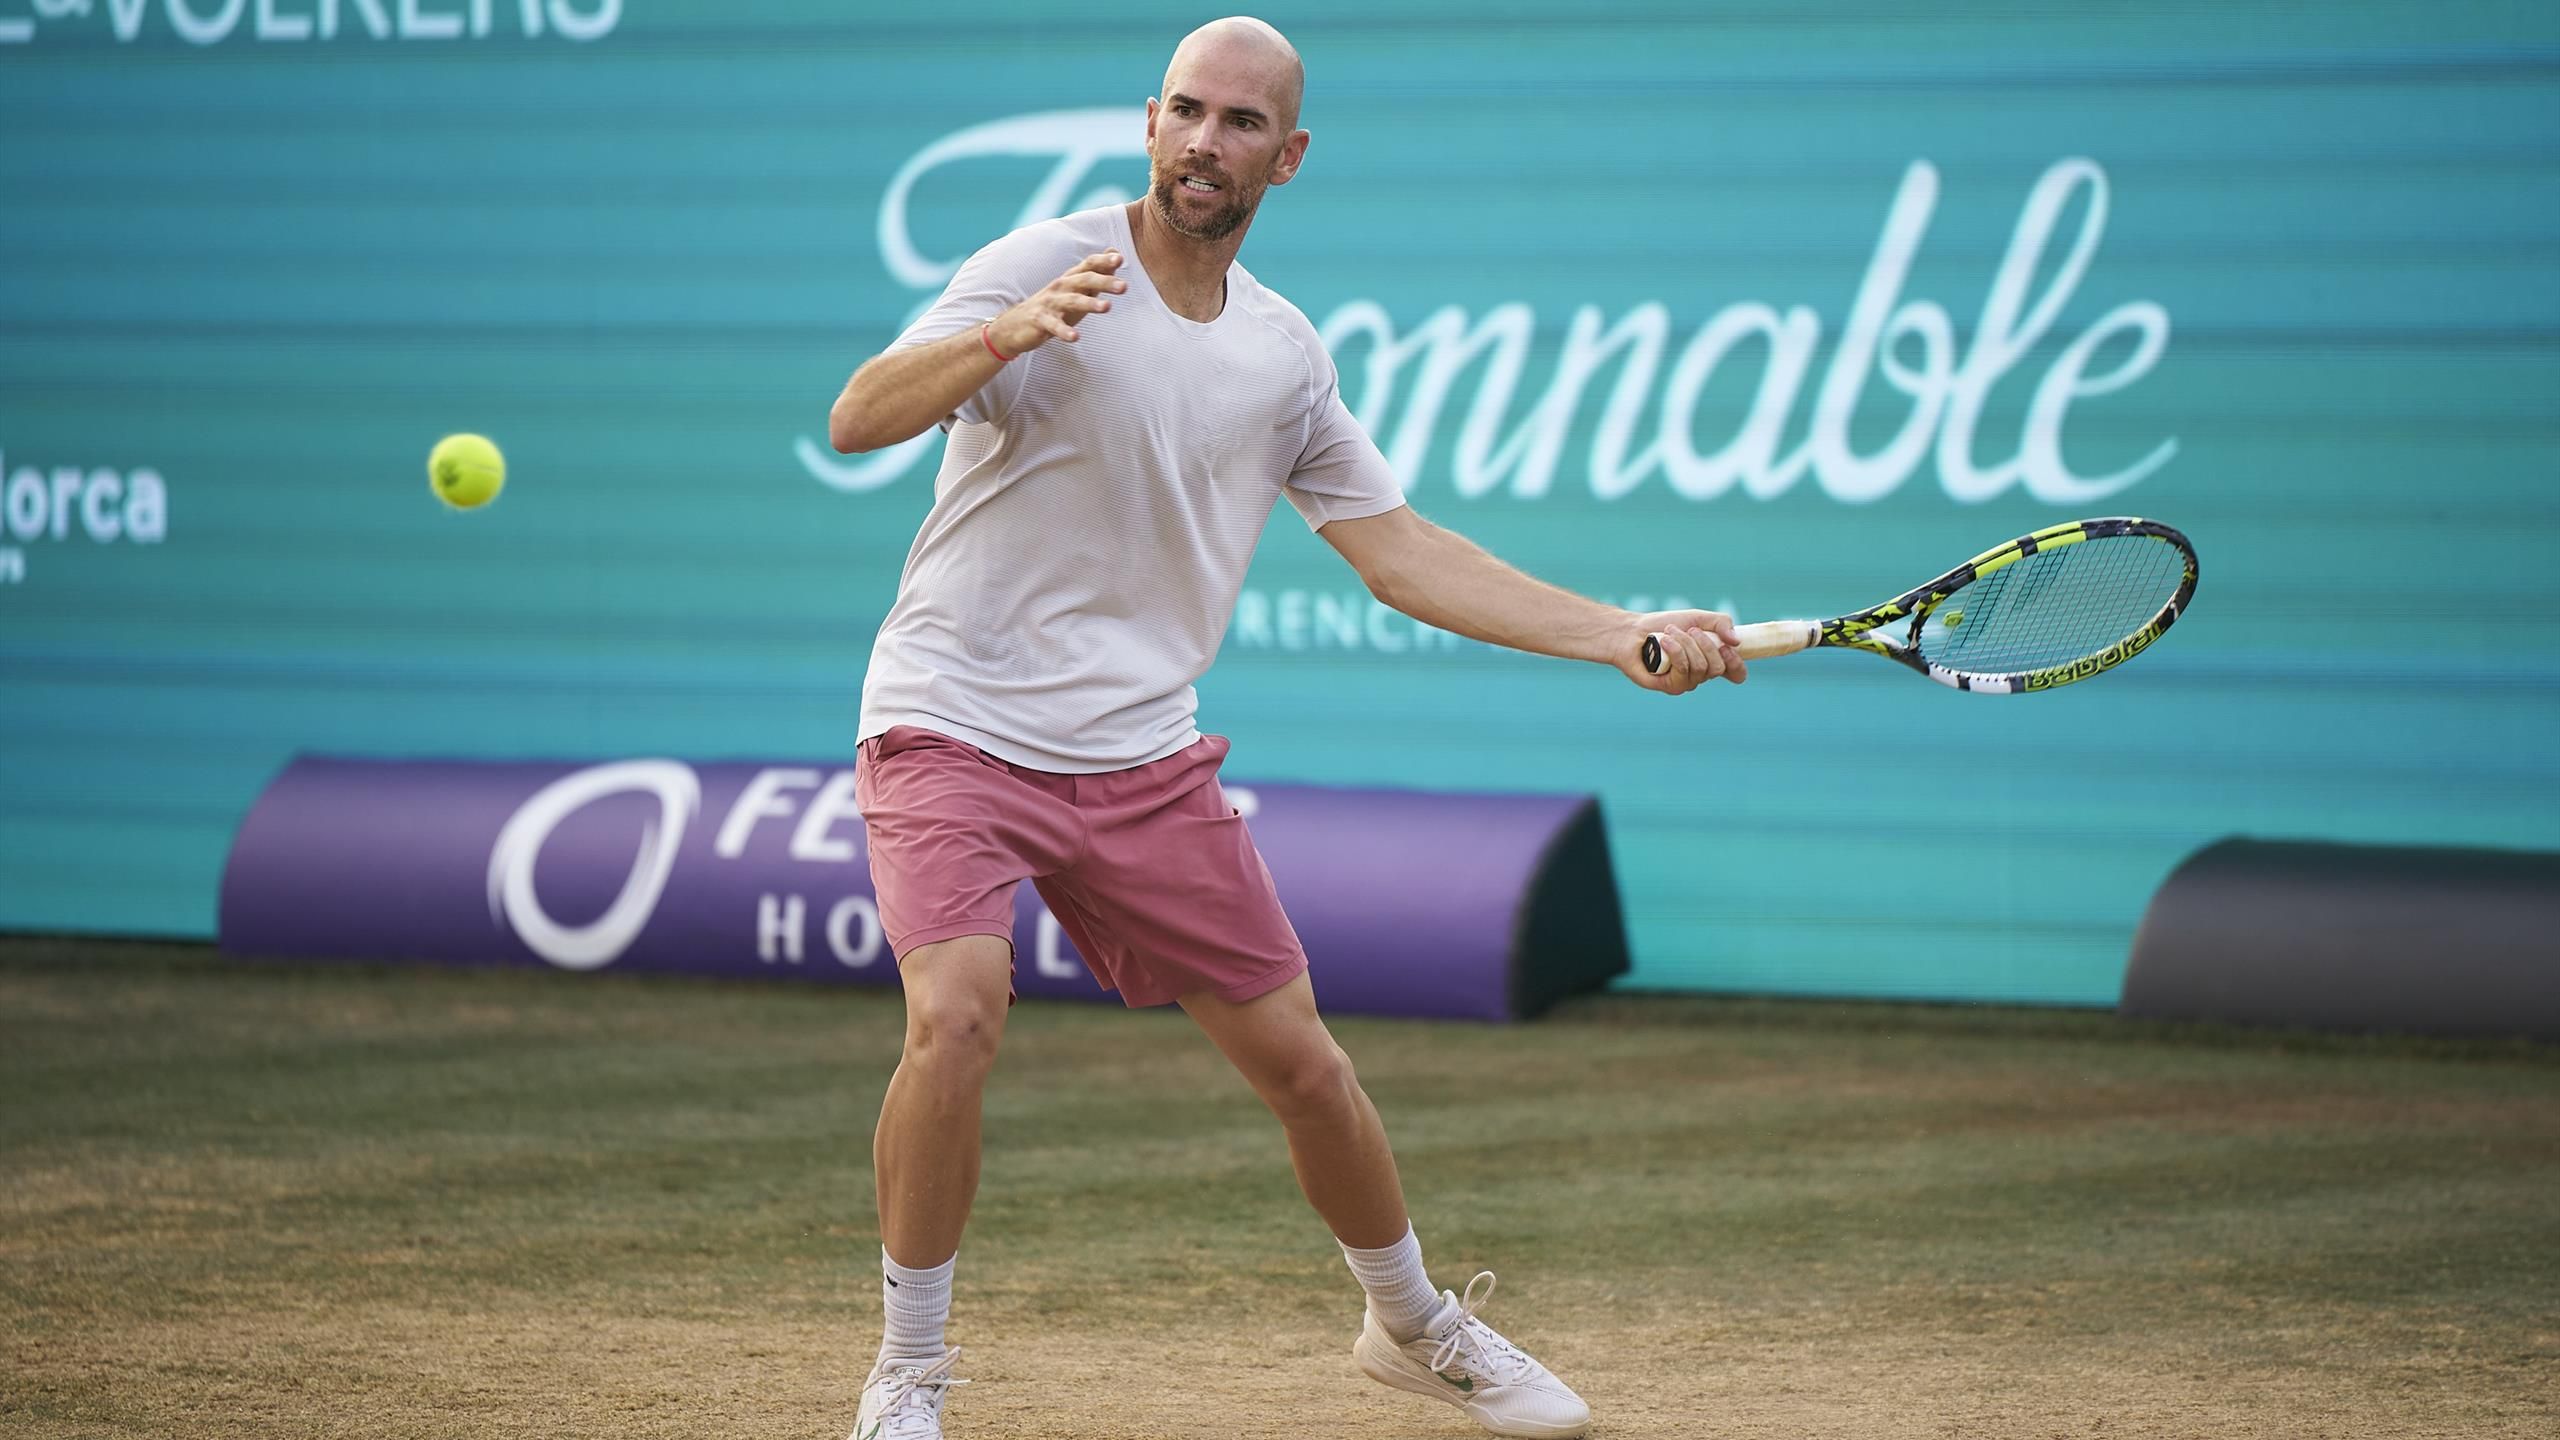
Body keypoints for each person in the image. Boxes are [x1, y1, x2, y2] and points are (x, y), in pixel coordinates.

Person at [825, 16, 1743, 1438]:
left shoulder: (1282, 356)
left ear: (1288, 156)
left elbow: (1407, 555)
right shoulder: (1041, 263)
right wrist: (1003, 335)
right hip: (952, 719)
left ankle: (1415, 1326)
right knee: (956, 1016)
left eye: (1242, 123)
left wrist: (1622, 634)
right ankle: (909, 1373)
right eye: (1187, 112)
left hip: (1138, 755)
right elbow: (857, 415)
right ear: (1148, 122)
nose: (1207, 141)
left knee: (1308, 1070)